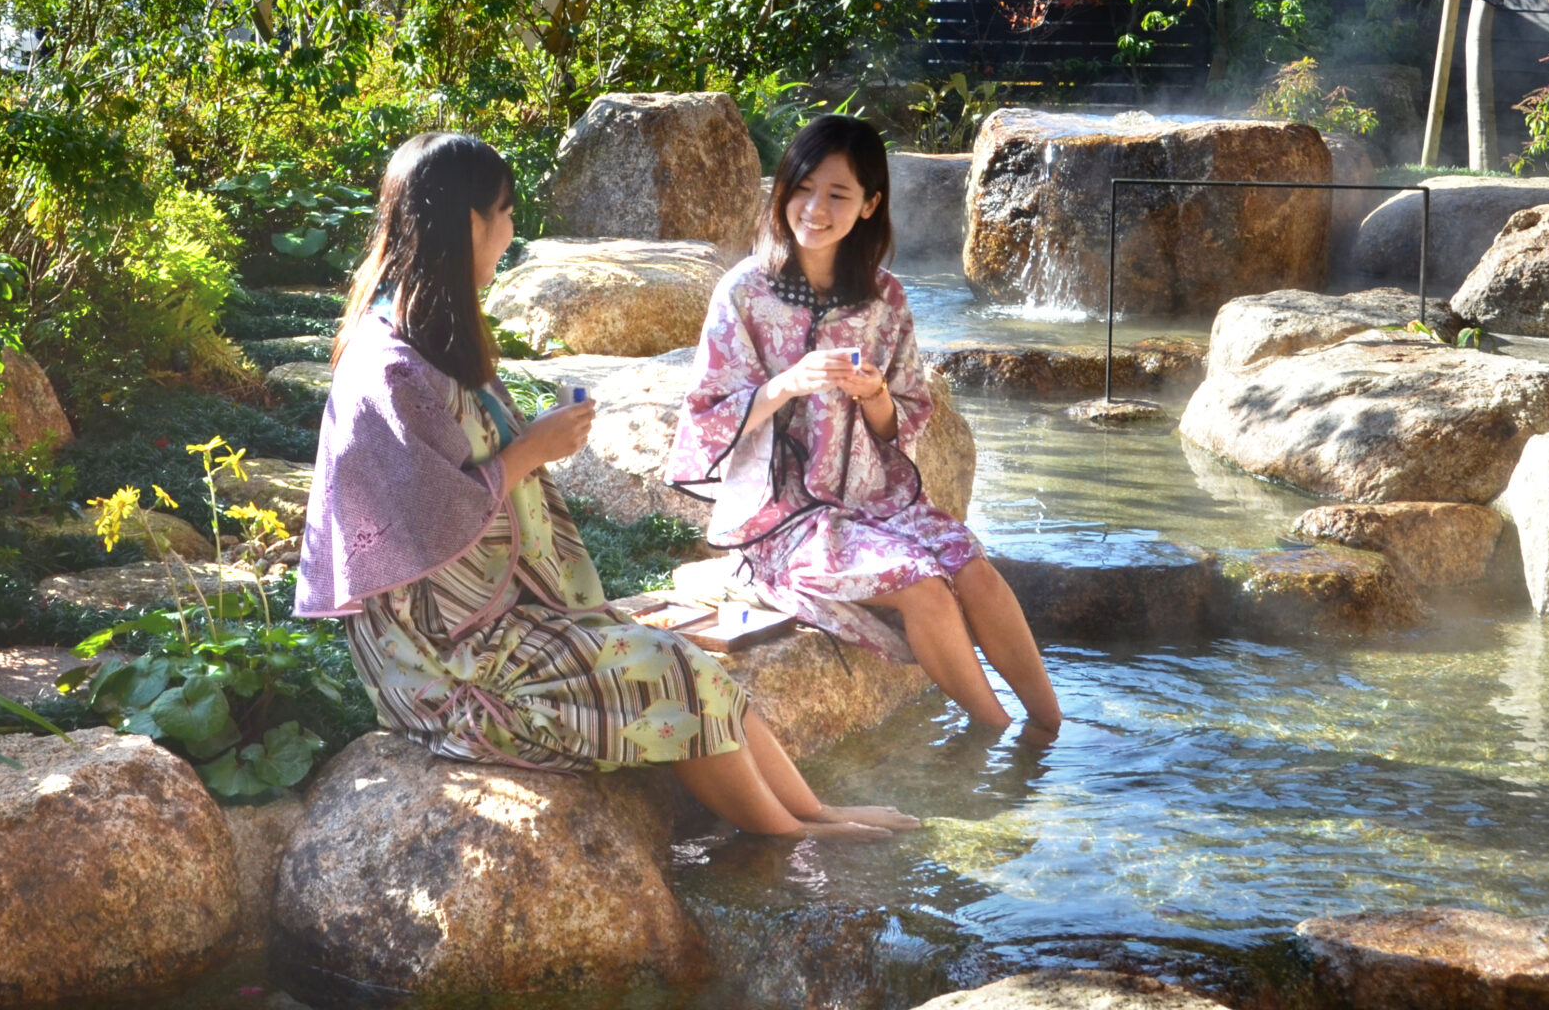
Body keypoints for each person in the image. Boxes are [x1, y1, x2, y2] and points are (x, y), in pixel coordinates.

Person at [294, 130, 918, 839]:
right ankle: (791, 834)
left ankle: (814, 810)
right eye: (504, 215)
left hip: (489, 622)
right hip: (444, 663)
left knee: (685, 659)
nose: (509, 235)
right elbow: (428, 519)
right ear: (470, 224)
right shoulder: (390, 366)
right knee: (667, 672)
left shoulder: (429, 334)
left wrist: (533, 442)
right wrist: (531, 450)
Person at [671, 114, 1063, 736]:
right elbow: (706, 416)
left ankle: (1049, 729)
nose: (815, 208)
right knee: (925, 587)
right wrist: (786, 382)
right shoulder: (743, 293)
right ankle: (1005, 741)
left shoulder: (887, 300)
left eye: (838, 194)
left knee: (973, 566)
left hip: (875, 502)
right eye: (802, 187)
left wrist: (876, 392)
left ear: (869, 204)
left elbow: (902, 422)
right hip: (784, 519)